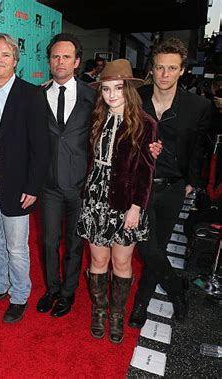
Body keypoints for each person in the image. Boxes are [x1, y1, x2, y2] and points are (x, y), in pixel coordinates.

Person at [128, 38, 212, 328]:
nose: (164, 74)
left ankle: (141, 303)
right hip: (141, 186)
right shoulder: (136, 97)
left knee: (158, 246)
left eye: (172, 68)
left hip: (174, 187)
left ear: (182, 70)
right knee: (146, 247)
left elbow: (200, 147)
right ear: (152, 68)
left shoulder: (198, 106)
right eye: (160, 67)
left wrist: (192, 182)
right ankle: (177, 291)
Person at [76, 59, 157, 343]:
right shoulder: (97, 118)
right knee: (98, 259)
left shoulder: (145, 124)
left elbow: (147, 170)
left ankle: (117, 313)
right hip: (95, 197)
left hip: (126, 201)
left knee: (122, 263)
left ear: (129, 90)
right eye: (106, 89)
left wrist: (137, 207)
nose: (111, 94)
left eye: (118, 88)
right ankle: (99, 310)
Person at [0, 33, 49, 323]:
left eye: (5, 55)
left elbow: (41, 147)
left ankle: (19, 295)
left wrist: (33, 186)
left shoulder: (31, 95)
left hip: (18, 186)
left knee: (17, 246)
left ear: (15, 60)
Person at [37, 33, 96, 317]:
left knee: (74, 243)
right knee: (48, 242)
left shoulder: (93, 97)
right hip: (48, 185)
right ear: (49, 61)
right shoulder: (37, 95)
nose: (60, 62)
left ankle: (68, 292)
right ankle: (52, 288)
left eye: (66, 57)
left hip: (80, 185)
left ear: (77, 62)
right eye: (55, 57)